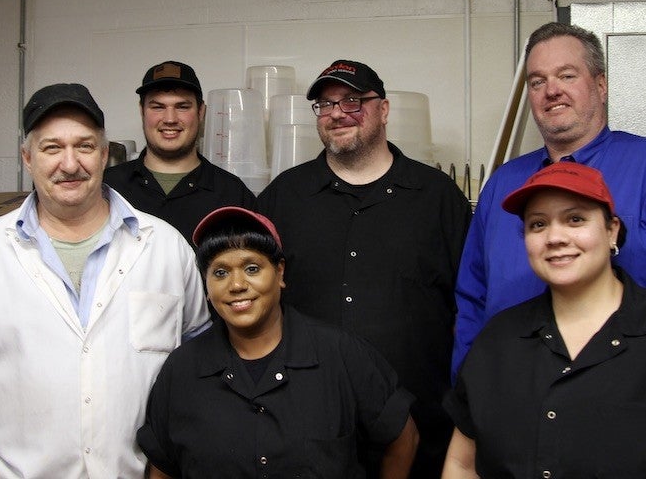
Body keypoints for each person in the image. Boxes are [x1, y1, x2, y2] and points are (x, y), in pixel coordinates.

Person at [0, 83, 212, 479]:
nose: (70, 164)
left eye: (85, 147)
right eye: (52, 148)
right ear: (27, 158)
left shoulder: (166, 248)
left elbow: (198, 370)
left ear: (105, 155)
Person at [443, 161, 646, 479]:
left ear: (612, 230)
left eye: (575, 219)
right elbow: (462, 465)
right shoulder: (497, 341)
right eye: (538, 224)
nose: (555, 237)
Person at [451, 21, 646, 380]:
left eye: (567, 76)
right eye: (537, 82)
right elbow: (473, 298)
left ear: (600, 85)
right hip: (514, 397)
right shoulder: (503, 185)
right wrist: (469, 393)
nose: (551, 90)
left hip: (633, 396)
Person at [256, 60, 471, 478]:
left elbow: (470, 303)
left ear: (384, 109)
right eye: (325, 104)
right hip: (309, 428)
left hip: (422, 427)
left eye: (352, 101)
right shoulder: (284, 197)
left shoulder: (437, 197)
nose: (337, 113)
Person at [137, 206, 419, 478]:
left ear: (280, 272)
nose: (236, 285)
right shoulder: (182, 370)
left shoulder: (341, 355)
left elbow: (404, 438)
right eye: (220, 272)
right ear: (206, 286)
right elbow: (163, 467)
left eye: (252, 268)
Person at [104, 60, 256, 245]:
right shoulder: (106, 188)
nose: (170, 119)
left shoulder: (233, 195)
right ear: (142, 111)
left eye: (182, 107)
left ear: (201, 112)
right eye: (158, 107)